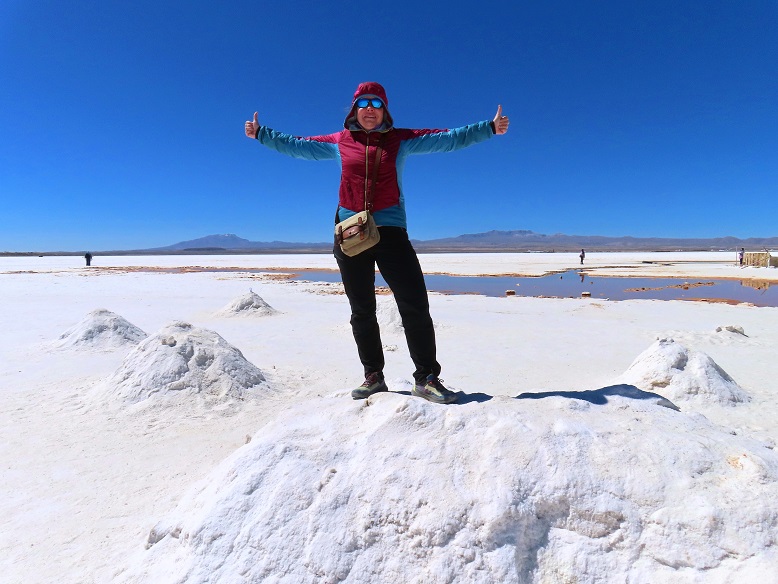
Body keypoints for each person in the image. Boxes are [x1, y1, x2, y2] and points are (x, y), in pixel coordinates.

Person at [244, 82, 509, 404]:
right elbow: (298, 145)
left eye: (376, 103)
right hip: (350, 233)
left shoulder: (401, 140)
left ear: (385, 110)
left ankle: (426, 378)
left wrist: (488, 128)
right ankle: (373, 376)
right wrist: (262, 134)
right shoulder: (340, 142)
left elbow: (446, 138)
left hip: (391, 231)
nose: (369, 109)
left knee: (414, 304)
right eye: (363, 103)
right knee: (362, 309)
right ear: (354, 110)